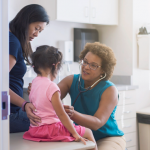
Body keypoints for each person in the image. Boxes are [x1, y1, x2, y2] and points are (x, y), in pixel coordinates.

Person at [28, 42, 126, 150]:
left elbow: (97, 123)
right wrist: (39, 89)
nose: (86, 67)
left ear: (103, 70)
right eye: (85, 62)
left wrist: (72, 114)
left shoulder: (109, 90)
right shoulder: (72, 80)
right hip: (81, 134)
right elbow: (49, 94)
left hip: (107, 138)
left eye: (93, 65)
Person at [23, 45, 97, 150]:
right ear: (56, 65)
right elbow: (61, 114)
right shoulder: (52, 86)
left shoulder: (34, 83)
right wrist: (75, 134)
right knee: (88, 132)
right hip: (52, 130)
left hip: (35, 130)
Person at [9, 4, 49, 133]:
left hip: (11, 111)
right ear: (26, 21)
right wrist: (24, 104)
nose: (37, 34)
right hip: (9, 114)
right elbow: (1, 82)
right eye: (36, 28)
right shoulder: (12, 42)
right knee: (56, 122)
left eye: (40, 31)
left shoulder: (8, 37)